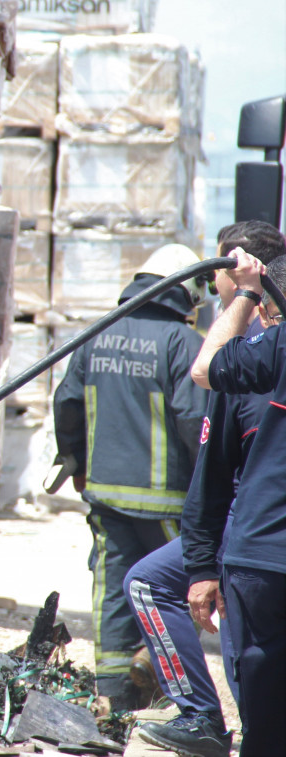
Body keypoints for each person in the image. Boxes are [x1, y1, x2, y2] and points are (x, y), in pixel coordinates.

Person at [126, 224, 285, 757]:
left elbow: (204, 375)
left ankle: (206, 720)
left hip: (253, 550)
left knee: (255, 676)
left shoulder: (257, 359)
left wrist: (203, 566)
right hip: (247, 545)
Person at [52, 243, 209, 710]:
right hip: (168, 503)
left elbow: (67, 404)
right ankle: (159, 676)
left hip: (104, 494)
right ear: (185, 293)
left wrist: (74, 463)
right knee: (181, 593)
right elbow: (192, 421)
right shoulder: (183, 344)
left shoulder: (97, 335)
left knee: (112, 592)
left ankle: (112, 697)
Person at [191, 247, 286, 755]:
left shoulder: (276, 345)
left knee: (266, 725)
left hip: (264, 559)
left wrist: (247, 291)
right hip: (262, 559)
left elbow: (205, 368)